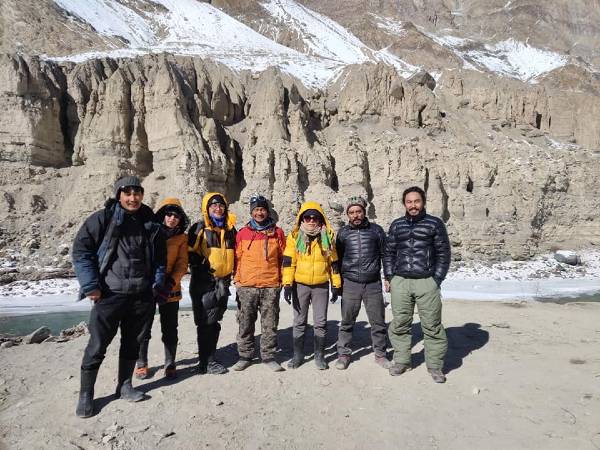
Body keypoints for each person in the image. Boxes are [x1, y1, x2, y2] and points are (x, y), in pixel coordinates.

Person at [71, 176, 166, 418]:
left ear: (142, 195)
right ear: (119, 195)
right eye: (128, 193)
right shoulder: (102, 219)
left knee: (132, 343)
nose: (133, 198)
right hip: (110, 295)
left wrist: (156, 283)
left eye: (137, 193)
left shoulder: (150, 222)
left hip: (142, 295)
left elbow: (159, 259)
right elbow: (82, 252)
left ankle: (124, 385)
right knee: (97, 345)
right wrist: (91, 285)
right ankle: (86, 395)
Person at [383, 186, 451, 383]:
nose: (413, 205)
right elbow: (389, 253)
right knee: (400, 323)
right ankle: (402, 361)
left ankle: (435, 366)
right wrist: (389, 277)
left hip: (426, 282)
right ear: (404, 204)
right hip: (401, 282)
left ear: (423, 202)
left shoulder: (434, 224)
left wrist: (436, 280)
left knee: (432, 325)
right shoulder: (397, 225)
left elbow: (443, 253)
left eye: (416, 201)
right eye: (409, 202)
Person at [334, 196, 391, 370]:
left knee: (378, 321)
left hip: (373, 283)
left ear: (364, 211)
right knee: (347, 321)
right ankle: (344, 354)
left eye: (358, 211)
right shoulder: (343, 233)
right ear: (347, 215)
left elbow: (385, 255)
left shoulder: (376, 231)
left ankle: (380, 354)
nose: (355, 215)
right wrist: (337, 282)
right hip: (350, 283)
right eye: (351, 212)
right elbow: (337, 258)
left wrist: (387, 277)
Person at [282, 201, 342, 370]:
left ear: (320, 219)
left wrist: (336, 284)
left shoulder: (327, 236)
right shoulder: (294, 237)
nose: (311, 220)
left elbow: (334, 263)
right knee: (299, 321)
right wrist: (287, 284)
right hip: (300, 285)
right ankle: (298, 355)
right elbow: (288, 262)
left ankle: (320, 355)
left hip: (321, 285)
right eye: (307, 217)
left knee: (320, 322)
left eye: (315, 217)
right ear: (302, 218)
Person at [135, 198, 189, 380]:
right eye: (169, 214)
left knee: (170, 327)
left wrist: (170, 282)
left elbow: (182, 264)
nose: (172, 218)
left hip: (170, 288)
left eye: (176, 216)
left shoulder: (182, 238)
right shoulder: (149, 231)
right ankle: (141, 363)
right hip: (147, 287)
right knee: (143, 327)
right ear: (162, 215)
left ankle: (170, 363)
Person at [232, 194, 286, 372]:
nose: (259, 213)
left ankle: (268, 356)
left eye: (262, 209)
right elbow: (236, 259)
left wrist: (281, 281)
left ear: (267, 211)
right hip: (247, 286)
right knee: (245, 322)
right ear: (251, 212)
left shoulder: (277, 232)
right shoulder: (242, 234)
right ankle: (245, 356)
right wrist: (238, 281)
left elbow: (283, 258)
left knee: (269, 323)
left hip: (270, 285)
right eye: (256, 210)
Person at [188, 192, 237, 375]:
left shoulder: (230, 230)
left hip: (223, 283)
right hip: (204, 282)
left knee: (214, 321)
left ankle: (208, 360)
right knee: (206, 322)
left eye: (221, 206)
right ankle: (206, 362)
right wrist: (203, 267)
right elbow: (189, 252)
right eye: (213, 206)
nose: (218, 209)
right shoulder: (200, 228)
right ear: (207, 209)